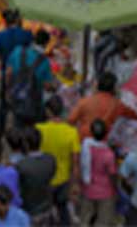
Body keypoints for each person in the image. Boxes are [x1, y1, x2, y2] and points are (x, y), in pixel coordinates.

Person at [36, 96, 79, 226]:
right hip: (63, 179)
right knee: (62, 208)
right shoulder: (72, 132)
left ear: (48, 111)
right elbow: (75, 163)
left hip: (44, 178)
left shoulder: (38, 129)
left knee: (44, 212)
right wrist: (74, 184)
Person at [6, 30, 54, 130]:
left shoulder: (17, 51)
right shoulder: (44, 62)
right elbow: (47, 85)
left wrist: (8, 91)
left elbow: (8, 73)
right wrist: (53, 87)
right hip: (33, 104)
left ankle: (17, 140)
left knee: (17, 124)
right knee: (31, 130)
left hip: (16, 97)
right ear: (45, 44)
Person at [68, 71, 137, 139]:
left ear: (97, 85)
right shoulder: (118, 104)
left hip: (83, 140)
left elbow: (71, 120)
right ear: (114, 88)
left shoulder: (84, 101)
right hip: (104, 142)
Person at [78, 118, 118, 227]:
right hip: (105, 193)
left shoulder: (85, 146)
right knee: (103, 221)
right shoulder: (109, 154)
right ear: (106, 134)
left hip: (88, 189)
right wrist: (115, 189)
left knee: (84, 219)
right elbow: (112, 175)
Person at [15, 127, 57, 225]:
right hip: (47, 208)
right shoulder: (50, 159)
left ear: (26, 144)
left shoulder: (21, 165)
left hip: (30, 211)